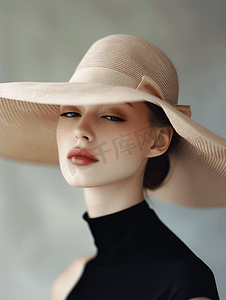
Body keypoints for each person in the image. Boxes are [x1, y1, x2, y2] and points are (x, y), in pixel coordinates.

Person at [0, 34, 224, 299]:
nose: (81, 130)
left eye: (111, 116)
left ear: (158, 140)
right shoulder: (68, 283)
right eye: (71, 113)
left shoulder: (182, 285)